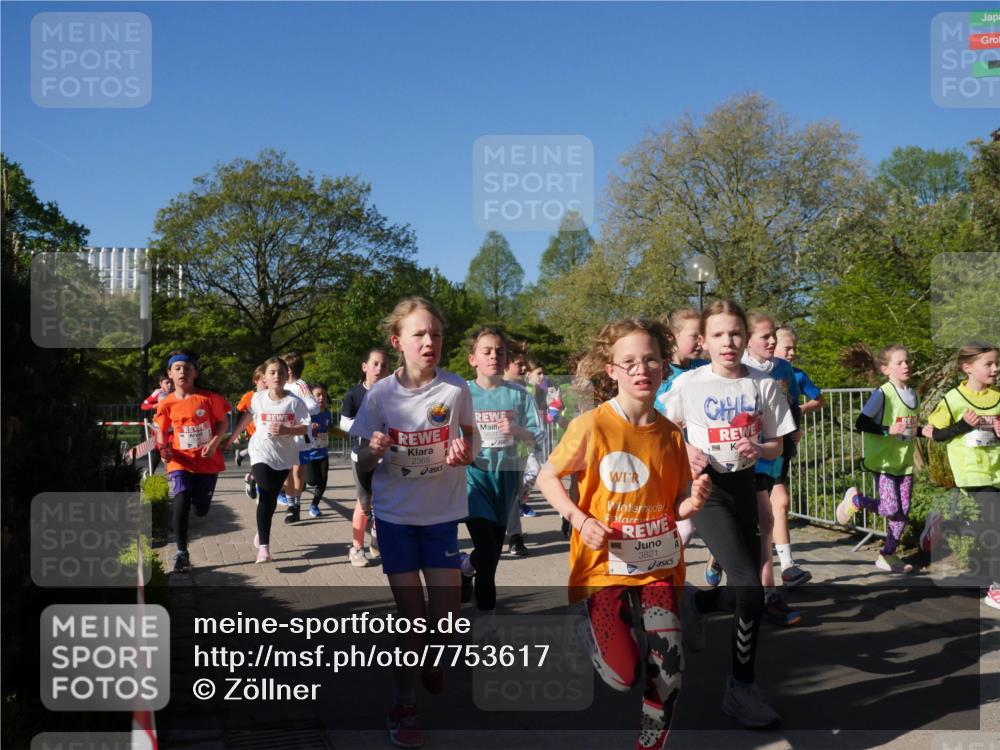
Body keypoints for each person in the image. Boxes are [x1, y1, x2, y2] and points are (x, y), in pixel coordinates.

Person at [537, 317, 710, 750]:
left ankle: (649, 744)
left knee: (668, 669)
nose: (641, 369)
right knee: (622, 676)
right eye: (628, 362)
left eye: (650, 360)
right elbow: (547, 476)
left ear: (664, 366)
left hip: (657, 564)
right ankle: (589, 623)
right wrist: (580, 520)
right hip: (604, 565)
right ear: (611, 370)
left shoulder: (671, 435)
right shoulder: (591, 425)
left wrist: (694, 502)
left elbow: (677, 504)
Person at [349, 297, 477, 749]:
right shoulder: (380, 395)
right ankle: (402, 706)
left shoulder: (455, 388)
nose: (429, 342)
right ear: (397, 341)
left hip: (441, 516)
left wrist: (466, 452)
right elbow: (361, 458)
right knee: (413, 619)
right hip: (396, 518)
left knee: (444, 621)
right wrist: (373, 451)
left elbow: (471, 436)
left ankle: (432, 660)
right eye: (419, 334)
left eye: (436, 334)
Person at [663, 300, 795, 729]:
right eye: (718, 335)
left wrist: (759, 448)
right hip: (706, 490)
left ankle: (699, 603)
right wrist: (686, 448)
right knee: (749, 586)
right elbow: (664, 430)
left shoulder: (764, 384)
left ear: (745, 337)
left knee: (744, 590)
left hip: (746, 486)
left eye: (735, 333)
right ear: (703, 341)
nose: (728, 342)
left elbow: (777, 444)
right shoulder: (688, 383)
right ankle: (741, 688)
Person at [462, 326, 544, 613]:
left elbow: (537, 436)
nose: (493, 356)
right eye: (486, 351)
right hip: (473, 478)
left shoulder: (519, 395)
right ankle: (487, 620)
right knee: (487, 550)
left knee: (491, 557)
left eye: (499, 351)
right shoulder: (462, 394)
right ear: (473, 359)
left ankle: (465, 568)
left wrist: (517, 430)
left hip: (507, 479)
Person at [919, 342, 1000, 609]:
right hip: (972, 471)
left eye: (997, 363)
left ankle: (946, 526)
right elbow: (937, 434)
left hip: (996, 469)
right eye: (988, 364)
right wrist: (963, 425)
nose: (995, 369)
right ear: (968, 368)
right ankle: (996, 589)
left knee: (990, 525)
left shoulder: (998, 397)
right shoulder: (953, 398)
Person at [742, 311, 807, 627]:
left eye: (773, 336)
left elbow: (791, 403)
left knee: (766, 520)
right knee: (749, 527)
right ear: (747, 339)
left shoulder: (783, 369)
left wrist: (793, 428)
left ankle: (767, 595)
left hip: (770, 453)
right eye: (765, 336)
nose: (772, 341)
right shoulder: (737, 370)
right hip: (736, 459)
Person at [836, 344, 920, 574]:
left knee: (902, 513)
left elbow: (910, 429)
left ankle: (887, 555)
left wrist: (927, 431)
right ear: (886, 369)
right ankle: (857, 501)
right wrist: (887, 429)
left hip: (904, 463)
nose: (906, 365)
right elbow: (861, 423)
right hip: (883, 462)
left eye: (907, 361)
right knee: (891, 508)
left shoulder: (914, 395)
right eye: (899, 362)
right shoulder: (883, 393)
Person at [224, 358, 311, 563]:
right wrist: (233, 435)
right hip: (260, 451)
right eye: (272, 372)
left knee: (269, 498)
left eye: (281, 372)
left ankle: (261, 532)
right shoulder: (258, 398)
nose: (277, 376)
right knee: (265, 488)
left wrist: (287, 429)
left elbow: (305, 428)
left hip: (284, 456)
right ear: (264, 377)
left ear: (286, 375)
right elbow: (248, 416)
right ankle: (264, 549)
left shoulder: (295, 402)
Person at [153, 350, 231, 573]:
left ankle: (201, 504)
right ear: (170, 374)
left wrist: (214, 443)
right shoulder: (166, 403)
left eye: (187, 368)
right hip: (181, 461)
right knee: (181, 499)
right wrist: (163, 449)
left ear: (195, 373)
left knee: (202, 509)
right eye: (177, 368)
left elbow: (223, 423)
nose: (182, 372)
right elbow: (161, 431)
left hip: (207, 461)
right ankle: (181, 552)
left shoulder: (209, 398)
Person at [654, 308, 713, 583]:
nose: (700, 342)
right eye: (694, 336)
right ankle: (659, 578)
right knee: (683, 530)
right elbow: (654, 416)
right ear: (672, 336)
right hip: (666, 462)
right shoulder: (660, 371)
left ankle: (667, 579)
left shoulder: (704, 368)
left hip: (702, 462)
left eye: (703, 336)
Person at [340, 348, 390, 567]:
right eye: (375, 364)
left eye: (384, 365)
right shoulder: (354, 394)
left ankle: (377, 540)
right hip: (361, 455)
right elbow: (343, 423)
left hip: (386, 456)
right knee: (364, 502)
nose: (379, 369)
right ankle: (356, 548)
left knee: (384, 500)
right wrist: (368, 427)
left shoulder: (392, 394)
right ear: (364, 367)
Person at [278, 351, 320, 523]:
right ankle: (290, 504)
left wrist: (295, 413)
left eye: (282, 368)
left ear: (289, 369)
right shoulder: (279, 385)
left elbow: (314, 407)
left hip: (300, 437)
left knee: (297, 471)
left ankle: (296, 505)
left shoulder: (300, 385)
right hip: (283, 437)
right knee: (286, 470)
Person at [502, 344, 533, 556]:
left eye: (524, 364)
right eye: (518, 364)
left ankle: (515, 536)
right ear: (505, 365)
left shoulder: (523, 392)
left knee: (513, 494)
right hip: (488, 454)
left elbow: (532, 423)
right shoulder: (488, 390)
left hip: (517, 450)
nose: (523, 368)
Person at [235, 366, 266, 499]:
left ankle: (250, 477)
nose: (266, 383)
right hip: (253, 434)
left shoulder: (272, 395)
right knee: (260, 461)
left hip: (268, 435)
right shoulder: (248, 396)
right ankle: (252, 479)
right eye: (263, 380)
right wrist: (237, 432)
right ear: (255, 380)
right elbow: (238, 413)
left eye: (267, 380)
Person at [305, 384, 333, 517]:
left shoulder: (327, 414)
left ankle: (314, 505)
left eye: (324, 395)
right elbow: (299, 428)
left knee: (323, 480)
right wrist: (309, 427)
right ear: (311, 398)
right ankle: (300, 481)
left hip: (323, 454)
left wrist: (343, 434)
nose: (322, 398)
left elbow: (329, 428)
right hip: (309, 455)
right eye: (318, 395)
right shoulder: (307, 414)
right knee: (311, 481)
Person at [141, 374, 174, 474]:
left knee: (172, 449)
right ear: (160, 384)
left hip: (172, 428)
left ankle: (173, 473)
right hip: (158, 428)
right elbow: (143, 406)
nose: (170, 385)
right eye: (167, 383)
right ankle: (149, 472)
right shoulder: (158, 393)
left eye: (171, 382)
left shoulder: (176, 392)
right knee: (159, 451)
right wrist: (154, 406)